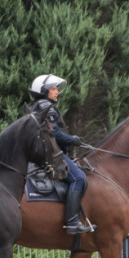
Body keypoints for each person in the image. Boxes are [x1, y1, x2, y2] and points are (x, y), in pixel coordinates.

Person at [28, 74, 94, 234]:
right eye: (53, 88)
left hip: (43, 153)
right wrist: (72, 139)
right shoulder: (45, 106)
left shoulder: (38, 105)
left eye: (57, 88)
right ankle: (72, 222)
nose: (56, 91)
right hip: (51, 155)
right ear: (44, 91)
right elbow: (54, 132)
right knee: (78, 179)